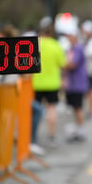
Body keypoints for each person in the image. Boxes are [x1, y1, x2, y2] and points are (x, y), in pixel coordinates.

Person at [32, 16, 66, 147]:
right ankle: (51, 136)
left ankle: (33, 138)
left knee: (35, 111)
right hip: (52, 83)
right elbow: (63, 64)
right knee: (51, 109)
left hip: (36, 83)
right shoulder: (56, 45)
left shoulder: (36, 44)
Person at [62, 21, 89, 142]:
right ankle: (77, 130)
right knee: (74, 108)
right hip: (72, 84)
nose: (68, 38)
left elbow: (72, 64)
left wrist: (61, 65)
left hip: (78, 84)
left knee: (78, 107)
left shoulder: (77, 48)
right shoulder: (71, 48)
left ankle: (81, 131)